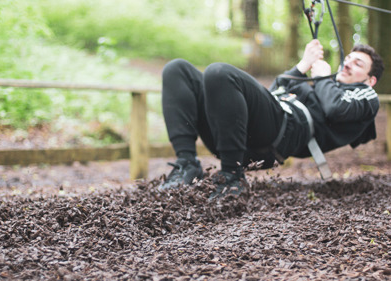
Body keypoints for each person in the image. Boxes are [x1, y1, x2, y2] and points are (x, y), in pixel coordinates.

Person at [159, 40, 384, 198]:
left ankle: (232, 177)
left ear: (370, 80)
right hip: (235, 133)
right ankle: (187, 164)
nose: (347, 63)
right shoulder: (325, 84)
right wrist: (303, 65)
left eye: (358, 64)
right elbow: (274, 91)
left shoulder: (366, 96)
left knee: (219, 73)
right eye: (349, 58)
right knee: (177, 69)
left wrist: (323, 77)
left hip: (280, 135)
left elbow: (336, 109)